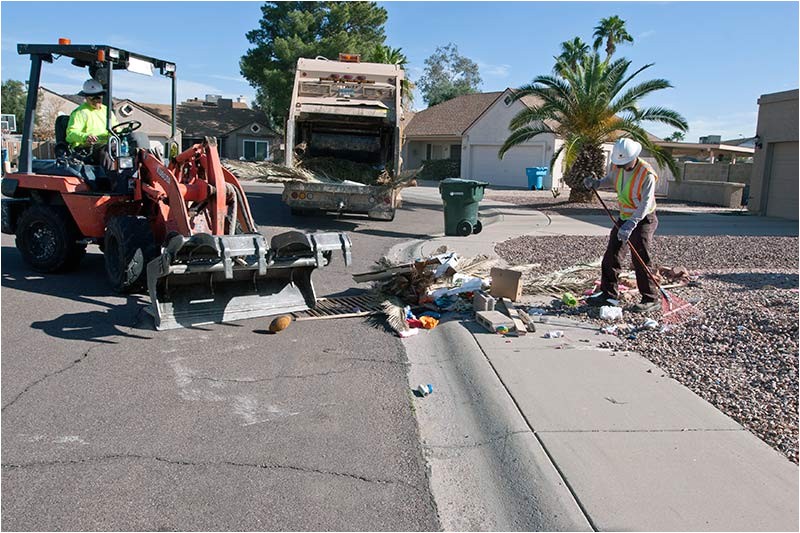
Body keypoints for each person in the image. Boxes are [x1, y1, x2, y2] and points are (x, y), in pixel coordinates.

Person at [583, 138, 660, 313]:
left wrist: (631, 224)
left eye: (625, 163)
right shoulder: (618, 168)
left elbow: (646, 203)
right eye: (620, 163)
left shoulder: (646, 174)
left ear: (634, 157)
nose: (622, 166)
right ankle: (608, 294)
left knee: (640, 256)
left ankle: (650, 298)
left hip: (643, 219)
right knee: (612, 254)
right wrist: (597, 183)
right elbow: (611, 179)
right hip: (624, 217)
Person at [65, 79, 117, 163]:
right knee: (108, 150)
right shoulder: (80, 113)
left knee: (131, 148)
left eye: (98, 97)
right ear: (86, 97)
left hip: (107, 146)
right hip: (86, 149)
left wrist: (121, 131)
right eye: (93, 98)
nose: (96, 100)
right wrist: (85, 137)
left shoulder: (107, 111)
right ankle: (115, 175)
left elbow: (116, 128)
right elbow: (70, 134)